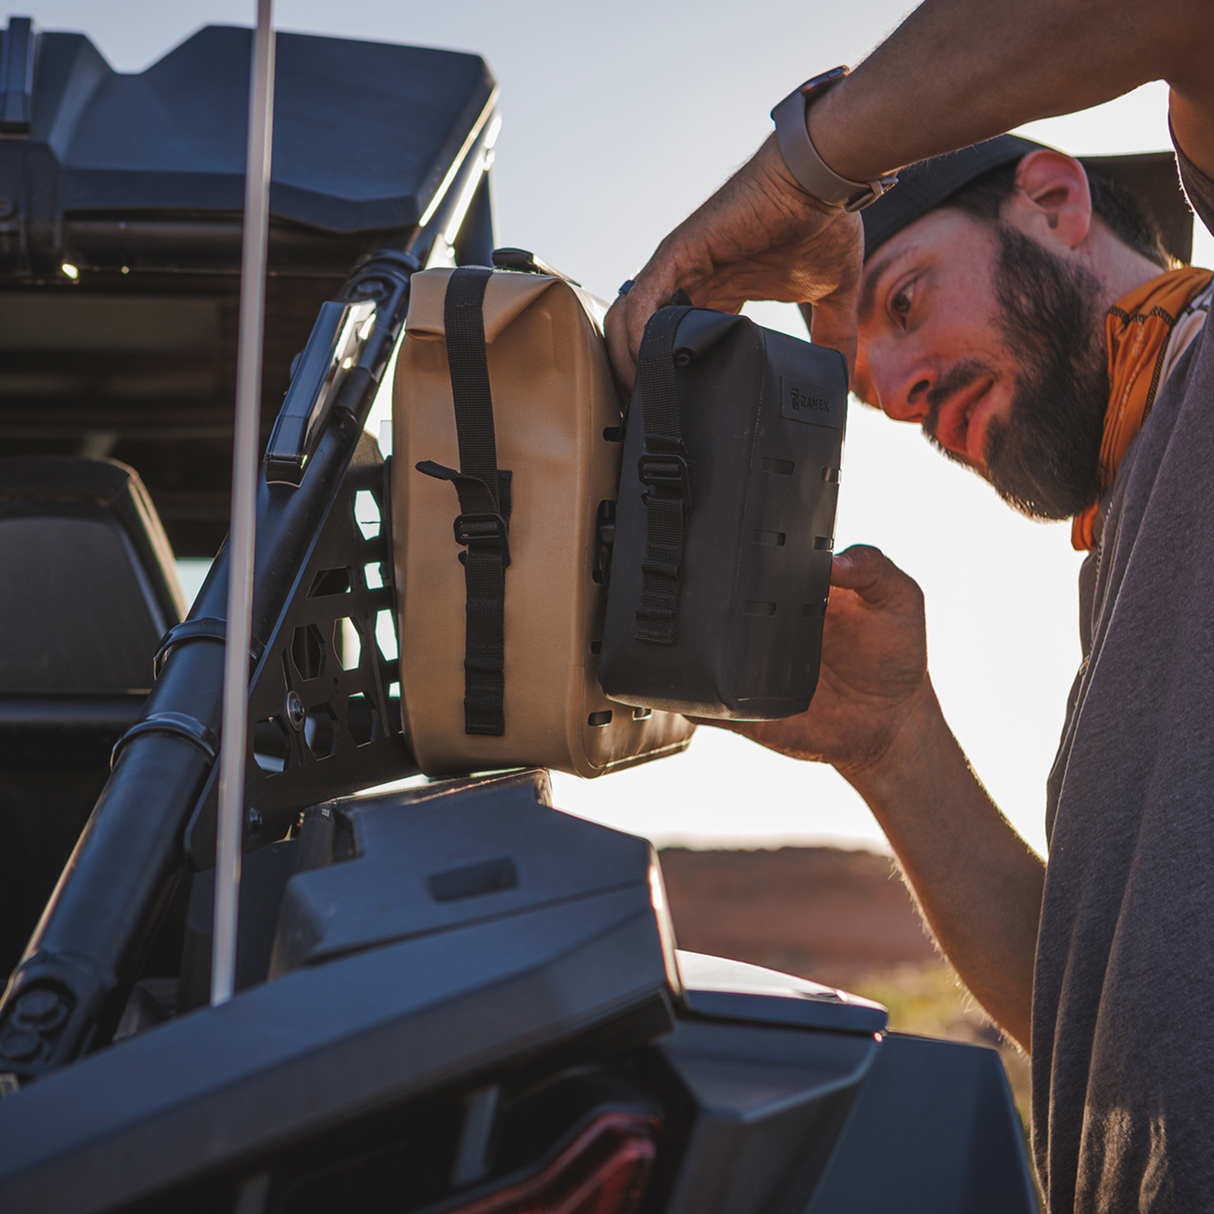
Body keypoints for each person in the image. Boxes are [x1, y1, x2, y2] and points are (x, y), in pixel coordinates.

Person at [605, 2, 1214, 1210]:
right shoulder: (1134, 549)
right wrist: (893, 745)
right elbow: (1094, 1007)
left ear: (1051, 201)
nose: (887, 390)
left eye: (899, 299)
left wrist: (798, 173)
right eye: (859, 375)